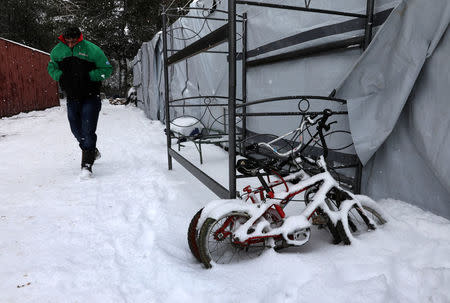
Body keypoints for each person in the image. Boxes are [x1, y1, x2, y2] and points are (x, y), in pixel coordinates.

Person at [47, 27, 112, 175]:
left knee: (88, 129)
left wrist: (89, 76)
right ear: (63, 39)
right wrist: (61, 77)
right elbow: (51, 68)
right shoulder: (57, 52)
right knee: (76, 129)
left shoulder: (92, 50)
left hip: (91, 95)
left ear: (80, 38)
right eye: (68, 42)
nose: (71, 45)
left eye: (74, 42)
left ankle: (86, 165)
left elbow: (107, 70)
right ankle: (91, 150)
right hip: (72, 97)